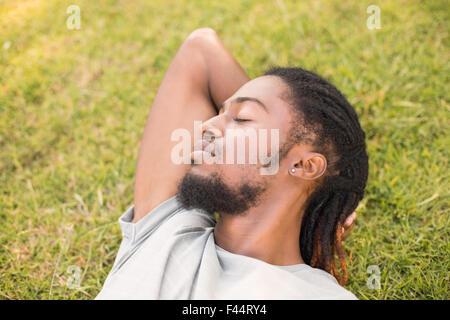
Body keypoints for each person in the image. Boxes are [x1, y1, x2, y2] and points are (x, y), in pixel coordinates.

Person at [96, 28, 368, 299]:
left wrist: (320, 187)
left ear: (304, 165)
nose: (206, 126)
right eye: (220, 112)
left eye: (242, 118)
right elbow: (200, 51)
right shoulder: (168, 229)